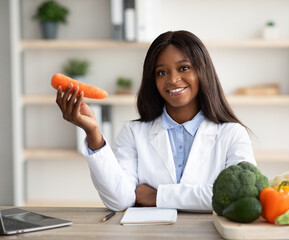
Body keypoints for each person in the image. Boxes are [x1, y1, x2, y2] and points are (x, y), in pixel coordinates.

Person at [56, 30, 256, 212]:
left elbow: (240, 195)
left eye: (184, 68)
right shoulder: (133, 132)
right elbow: (119, 200)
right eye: (162, 72)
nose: (173, 79)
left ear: (202, 72)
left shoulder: (232, 133)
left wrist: (157, 196)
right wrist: (93, 134)